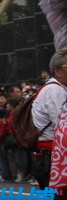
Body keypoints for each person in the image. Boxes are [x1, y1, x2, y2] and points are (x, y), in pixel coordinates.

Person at [32, 49, 67, 189]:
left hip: (50, 154)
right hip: (51, 155)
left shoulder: (56, 88)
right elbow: (62, 125)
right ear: (57, 70)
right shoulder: (55, 90)